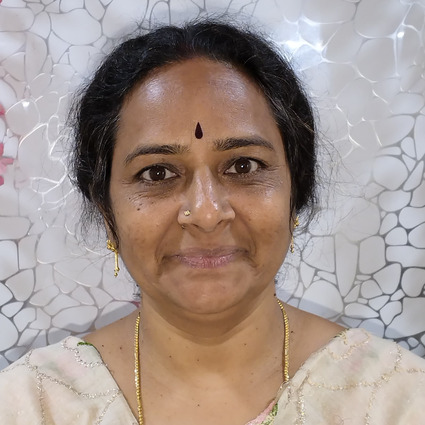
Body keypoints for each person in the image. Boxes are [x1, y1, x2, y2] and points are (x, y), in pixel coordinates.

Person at [0, 19, 424, 425]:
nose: (206, 214)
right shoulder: (33, 407)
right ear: (106, 212)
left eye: (243, 166)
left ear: (295, 194)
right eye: (157, 173)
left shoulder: (396, 401)